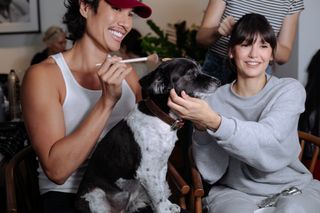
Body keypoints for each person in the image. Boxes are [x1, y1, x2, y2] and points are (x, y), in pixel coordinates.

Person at [168, 13, 320, 213]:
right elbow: (212, 173)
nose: (254, 54)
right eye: (246, 44)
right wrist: (201, 129)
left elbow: (269, 142)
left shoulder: (289, 90)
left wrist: (215, 122)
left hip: (292, 187)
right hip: (235, 192)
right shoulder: (212, 100)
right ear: (231, 51)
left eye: (263, 46)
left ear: (272, 53)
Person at [21, 0, 155, 212]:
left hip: (127, 195)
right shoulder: (44, 76)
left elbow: (145, 140)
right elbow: (57, 171)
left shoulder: (127, 73)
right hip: (68, 196)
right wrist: (106, 103)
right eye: (117, 8)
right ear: (85, 7)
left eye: (130, 14)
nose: (126, 23)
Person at [196, 0, 304, 84]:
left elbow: (284, 55)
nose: (253, 53)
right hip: (218, 67)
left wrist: (265, 36)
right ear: (231, 51)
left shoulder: (292, 1)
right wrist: (217, 31)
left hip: (257, 72)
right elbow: (201, 39)